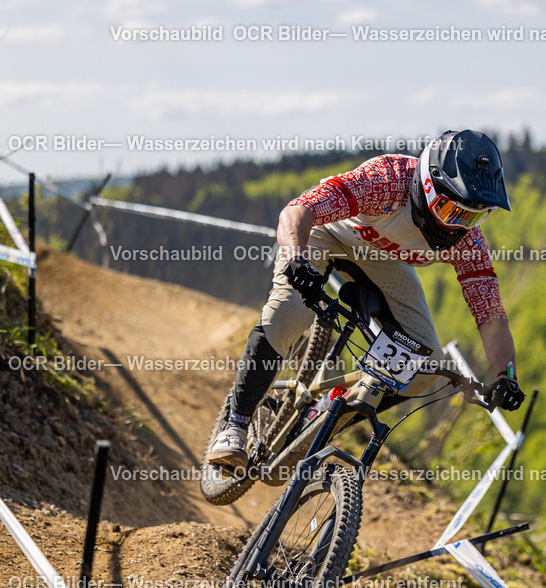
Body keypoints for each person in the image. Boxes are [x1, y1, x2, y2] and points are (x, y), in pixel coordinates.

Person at [208, 129, 525, 470]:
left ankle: (326, 414)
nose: (458, 227)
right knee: (289, 313)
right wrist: (299, 262)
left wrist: (506, 376)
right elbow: (297, 212)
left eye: (473, 217)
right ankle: (235, 425)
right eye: (452, 212)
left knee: (423, 367)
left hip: (381, 260)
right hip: (324, 232)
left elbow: (490, 314)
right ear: (430, 188)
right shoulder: (386, 180)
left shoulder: (468, 242)